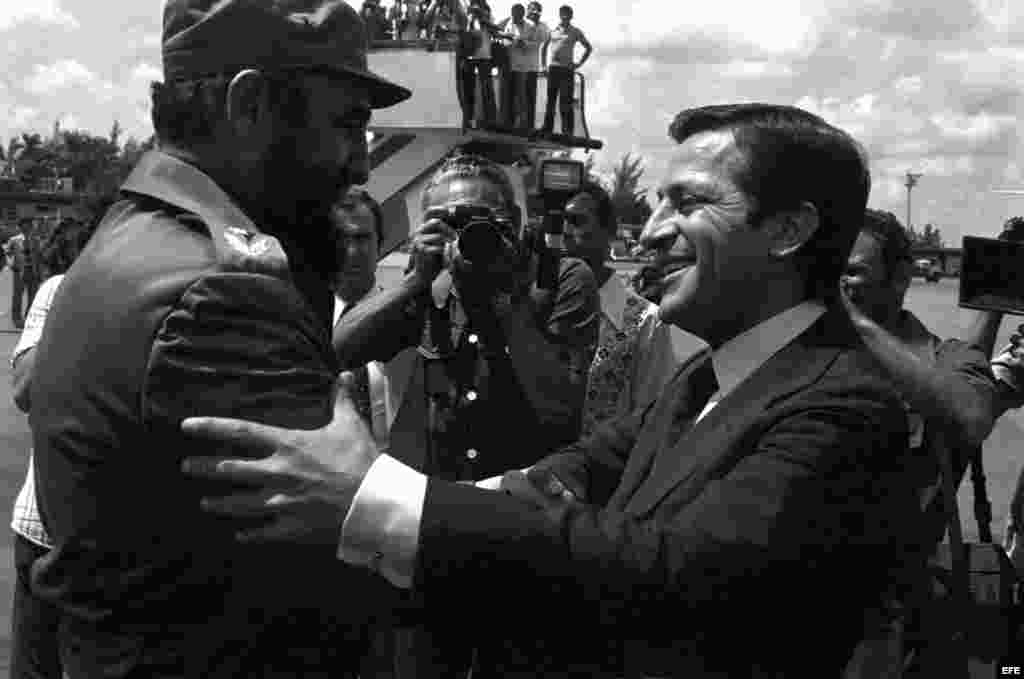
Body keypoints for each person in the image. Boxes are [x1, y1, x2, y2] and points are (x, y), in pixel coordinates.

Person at [182, 104, 928, 677]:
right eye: (659, 201)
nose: (655, 227)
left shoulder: (843, 407)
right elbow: (567, 470)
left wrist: (378, 497)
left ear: (789, 229)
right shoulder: (714, 375)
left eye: (688, 203)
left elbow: (671, 571)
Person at [27, 1, 411, 678]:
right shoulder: (219, 293)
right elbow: (348, 560)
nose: (360, 163)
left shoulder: (138, 233)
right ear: (251, 103)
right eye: (347, 123)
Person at [331, 151, 599, 676]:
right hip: (428, 524)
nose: (469, 233)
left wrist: (499, 295)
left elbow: (560, 400)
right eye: (451, 221)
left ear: (516, 225)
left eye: (485, 219)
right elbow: (340, 351)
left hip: (522, 523)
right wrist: (415, 282)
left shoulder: (561, 279)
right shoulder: (427, 281)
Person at [837, 209, 1006, 677]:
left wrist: (993, 304)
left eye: (852, 271)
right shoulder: (798, 354)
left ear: (901, 279)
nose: (836, 285)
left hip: (890, 626)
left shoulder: (948, 361)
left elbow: (969, 412)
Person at [7, 218, 97, 679]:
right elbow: (24, 390)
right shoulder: (59, 291)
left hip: (119, 543)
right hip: (41, 529)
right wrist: (81, 299)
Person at [563, 180, 705, 435]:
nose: (563, 231)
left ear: (609, 232)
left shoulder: (645, 323)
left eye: (576, 221)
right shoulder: (524, 307)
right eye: (555, 221)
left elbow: (655, 423)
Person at [539, 4, 590, 136]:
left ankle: (567, 130)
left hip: (567, 69)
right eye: (563, 13)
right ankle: (547, 127)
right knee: (551, 100)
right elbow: (544, 47)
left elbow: (588, 48)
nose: (565, 16)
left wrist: (578, 63)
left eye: (567, 14)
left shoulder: (575, 31)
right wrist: (543, 66)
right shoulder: (553, 30)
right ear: (560, 15)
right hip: (554, 68)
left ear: (571, 16)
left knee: (565, 101)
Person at [496, 4, 538, 130]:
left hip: (521, 66)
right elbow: (496, 36)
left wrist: (524, 43)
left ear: (522, 14)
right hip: (506, 65)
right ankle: (505, 123)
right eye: (514, 14)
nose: (515, 17)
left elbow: (536, 44)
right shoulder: (505, 23)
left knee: (520, 95)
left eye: (518, 15)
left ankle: (521, 125)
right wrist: (510, 41)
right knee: (505, 94)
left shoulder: (530, 26)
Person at [523, 1, 549, 130]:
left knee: (530, 97)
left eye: (537, 10)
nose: (534, 12)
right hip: (517, 66)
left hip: (533, 66)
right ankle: (518, 124)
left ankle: (529, 126)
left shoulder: (543, 27)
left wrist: (543, 65)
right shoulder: (520, 23)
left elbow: (544, 43)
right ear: (527, 10)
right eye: (532, 9)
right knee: (518, 96)